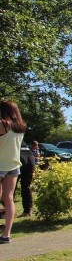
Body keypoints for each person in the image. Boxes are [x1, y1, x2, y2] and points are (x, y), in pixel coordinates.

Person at [0, 100, 27, 243]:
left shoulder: (3, 124)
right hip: (13, 166)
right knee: (9, 199)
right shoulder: (20, 127)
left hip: (0, 164)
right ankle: (6, 235)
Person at [19, 146, 36, 217]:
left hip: (18, 156)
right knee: (26, 186)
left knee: (8, 189)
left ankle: (7, 211)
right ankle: (27, 211)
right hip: (30, 157)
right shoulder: (18, 135)